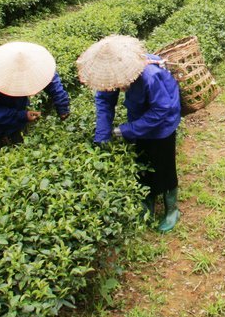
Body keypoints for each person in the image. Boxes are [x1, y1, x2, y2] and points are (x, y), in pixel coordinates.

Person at [79, 34, 184, 232]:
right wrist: (102, 136)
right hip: (140, 116)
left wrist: (126, 130)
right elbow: (104, 102)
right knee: (142, 159)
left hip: (164, 121)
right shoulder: (112, 73)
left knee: (163, 163)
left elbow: (160, 111)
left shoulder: (149, 76)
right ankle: (148, 199)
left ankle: (172, 209)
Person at [0, 41, 70, 154]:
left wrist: (62, 106)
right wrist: (22, 115)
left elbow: (50, 80)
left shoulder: (36, 64)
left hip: (16, 109)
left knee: (21, 149)